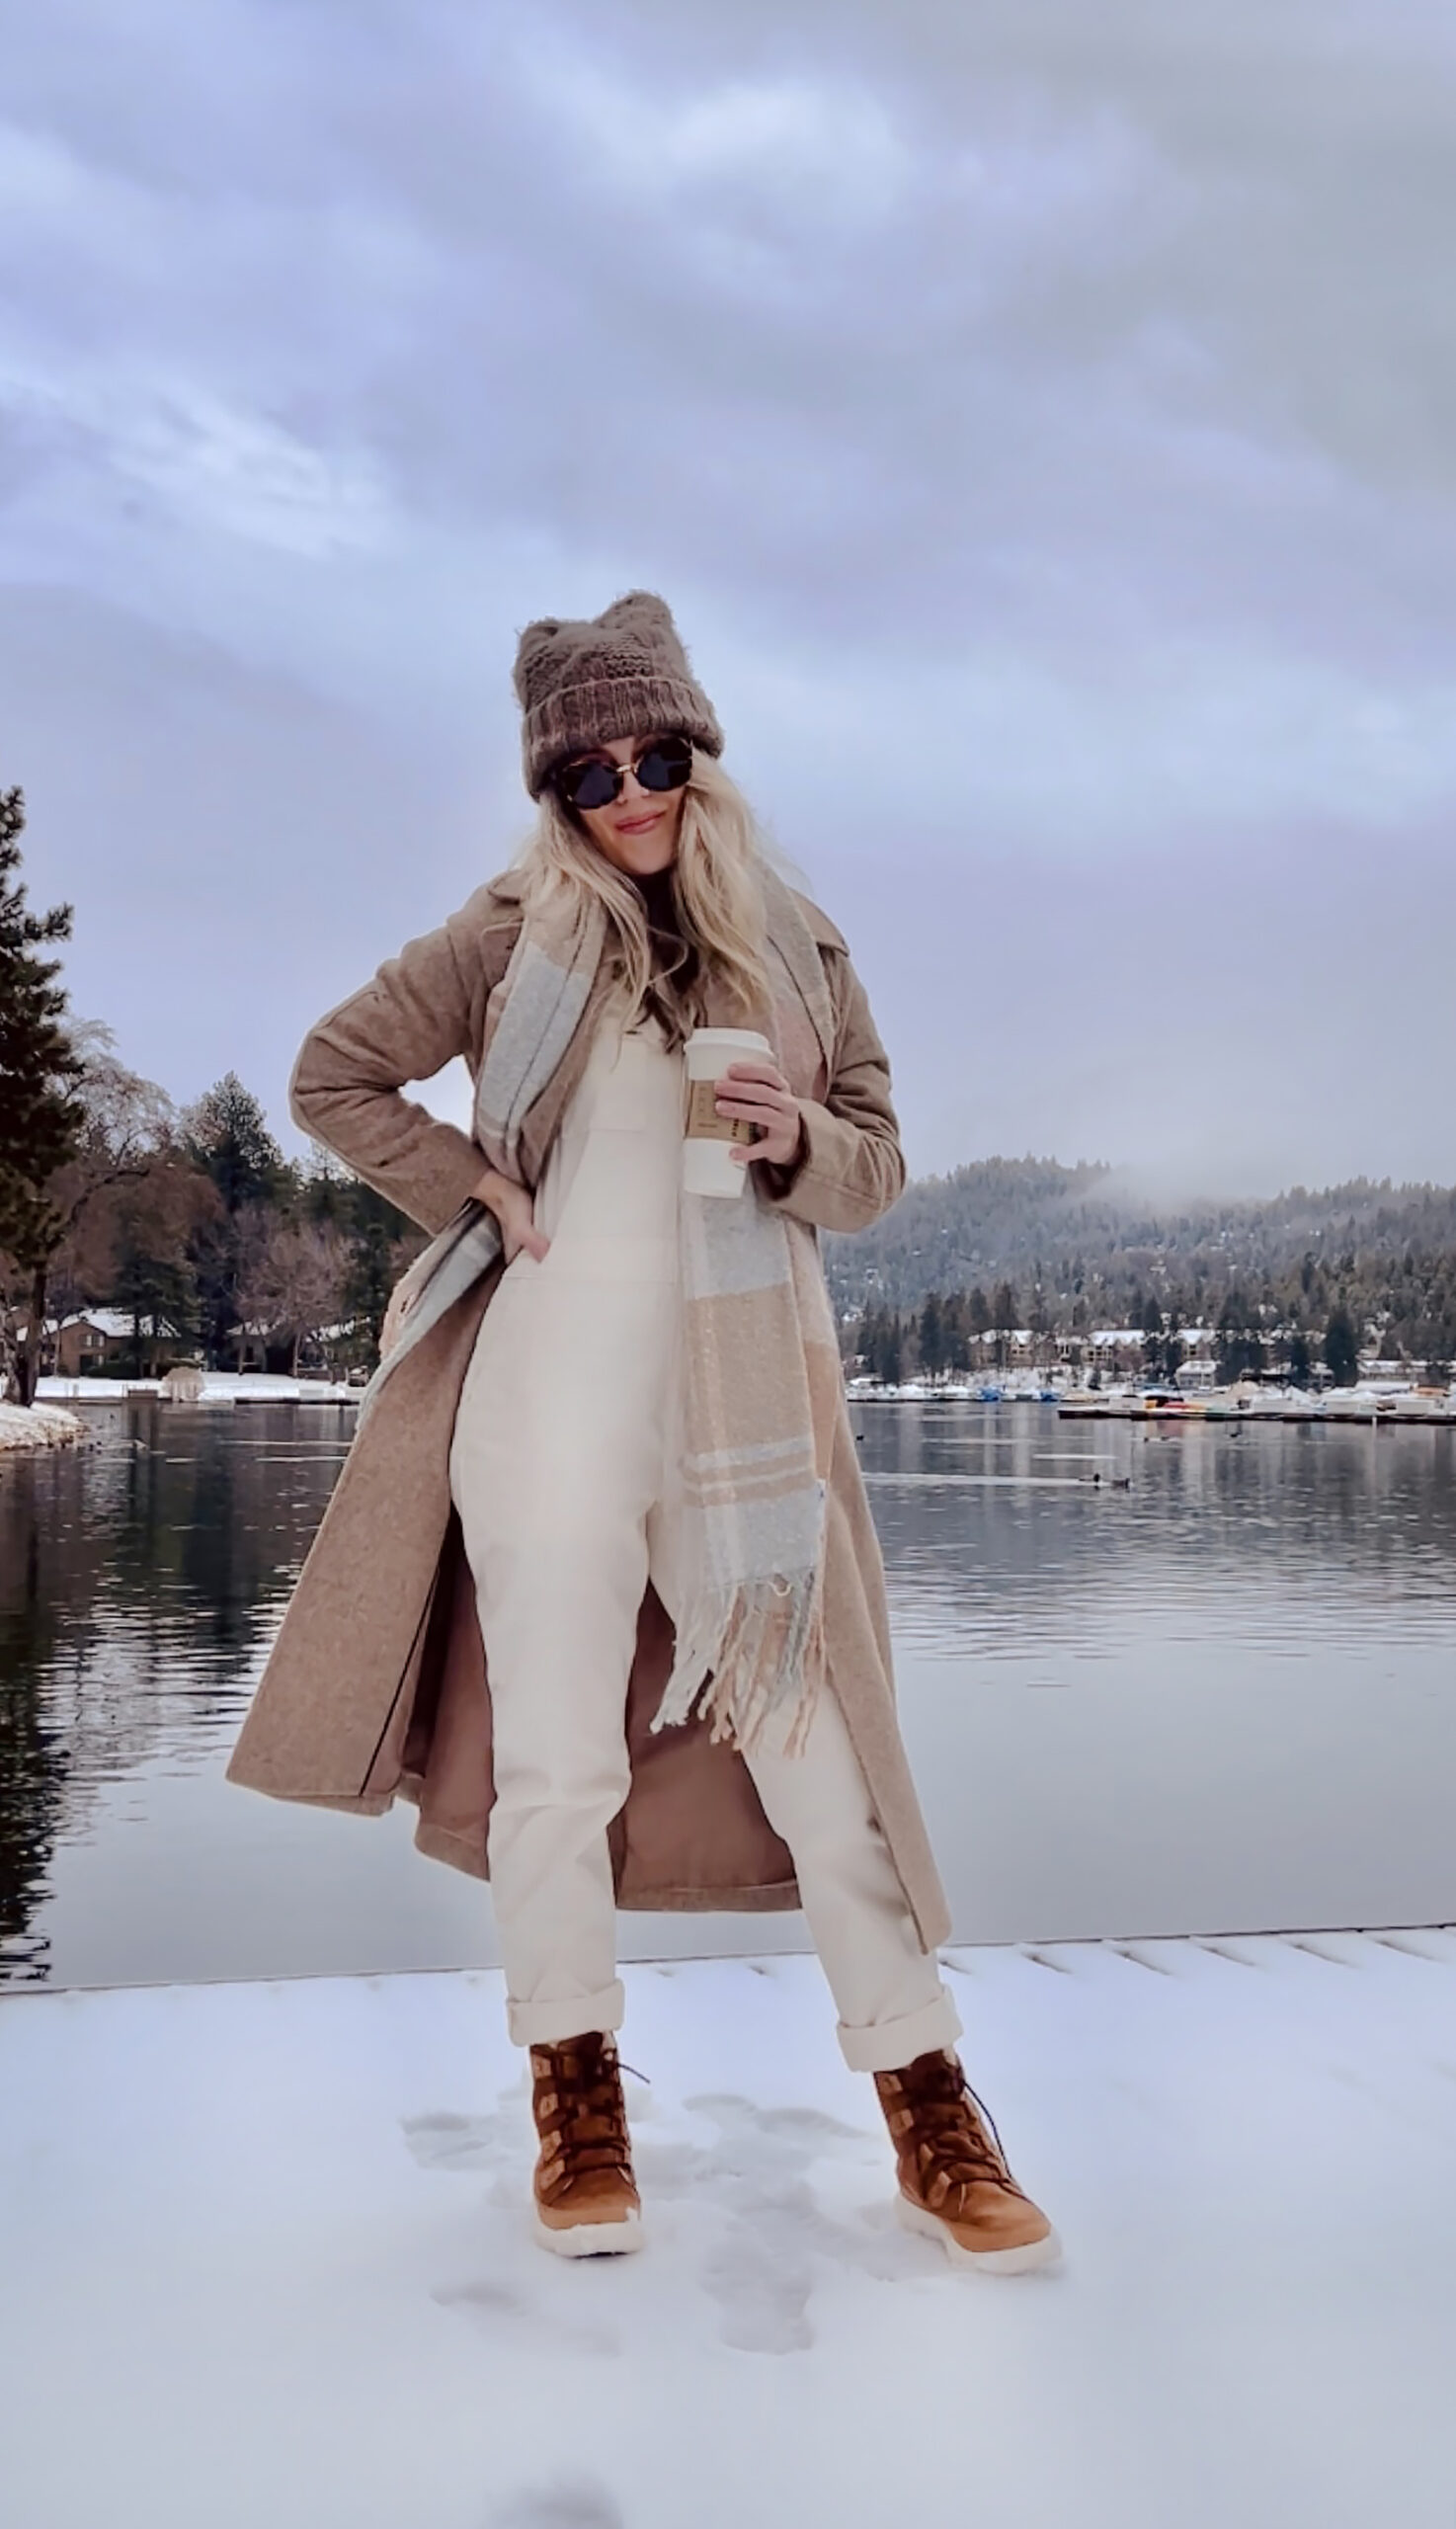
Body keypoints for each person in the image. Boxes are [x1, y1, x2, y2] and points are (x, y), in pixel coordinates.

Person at [227, 592, 1058, 2276]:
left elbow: (876, 1164)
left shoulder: (796, 941)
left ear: (700, 755)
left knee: (826, 1768)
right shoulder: (509, 932)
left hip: (740, 1418)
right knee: (554, 1766)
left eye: (654, 754)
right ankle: (575, 2087)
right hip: (542, 1403)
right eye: (588, 770)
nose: (627, 790)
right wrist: (470, 1178)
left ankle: (927, 2103)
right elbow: (334, 1075)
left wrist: (794, 1139)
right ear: (551, 791)